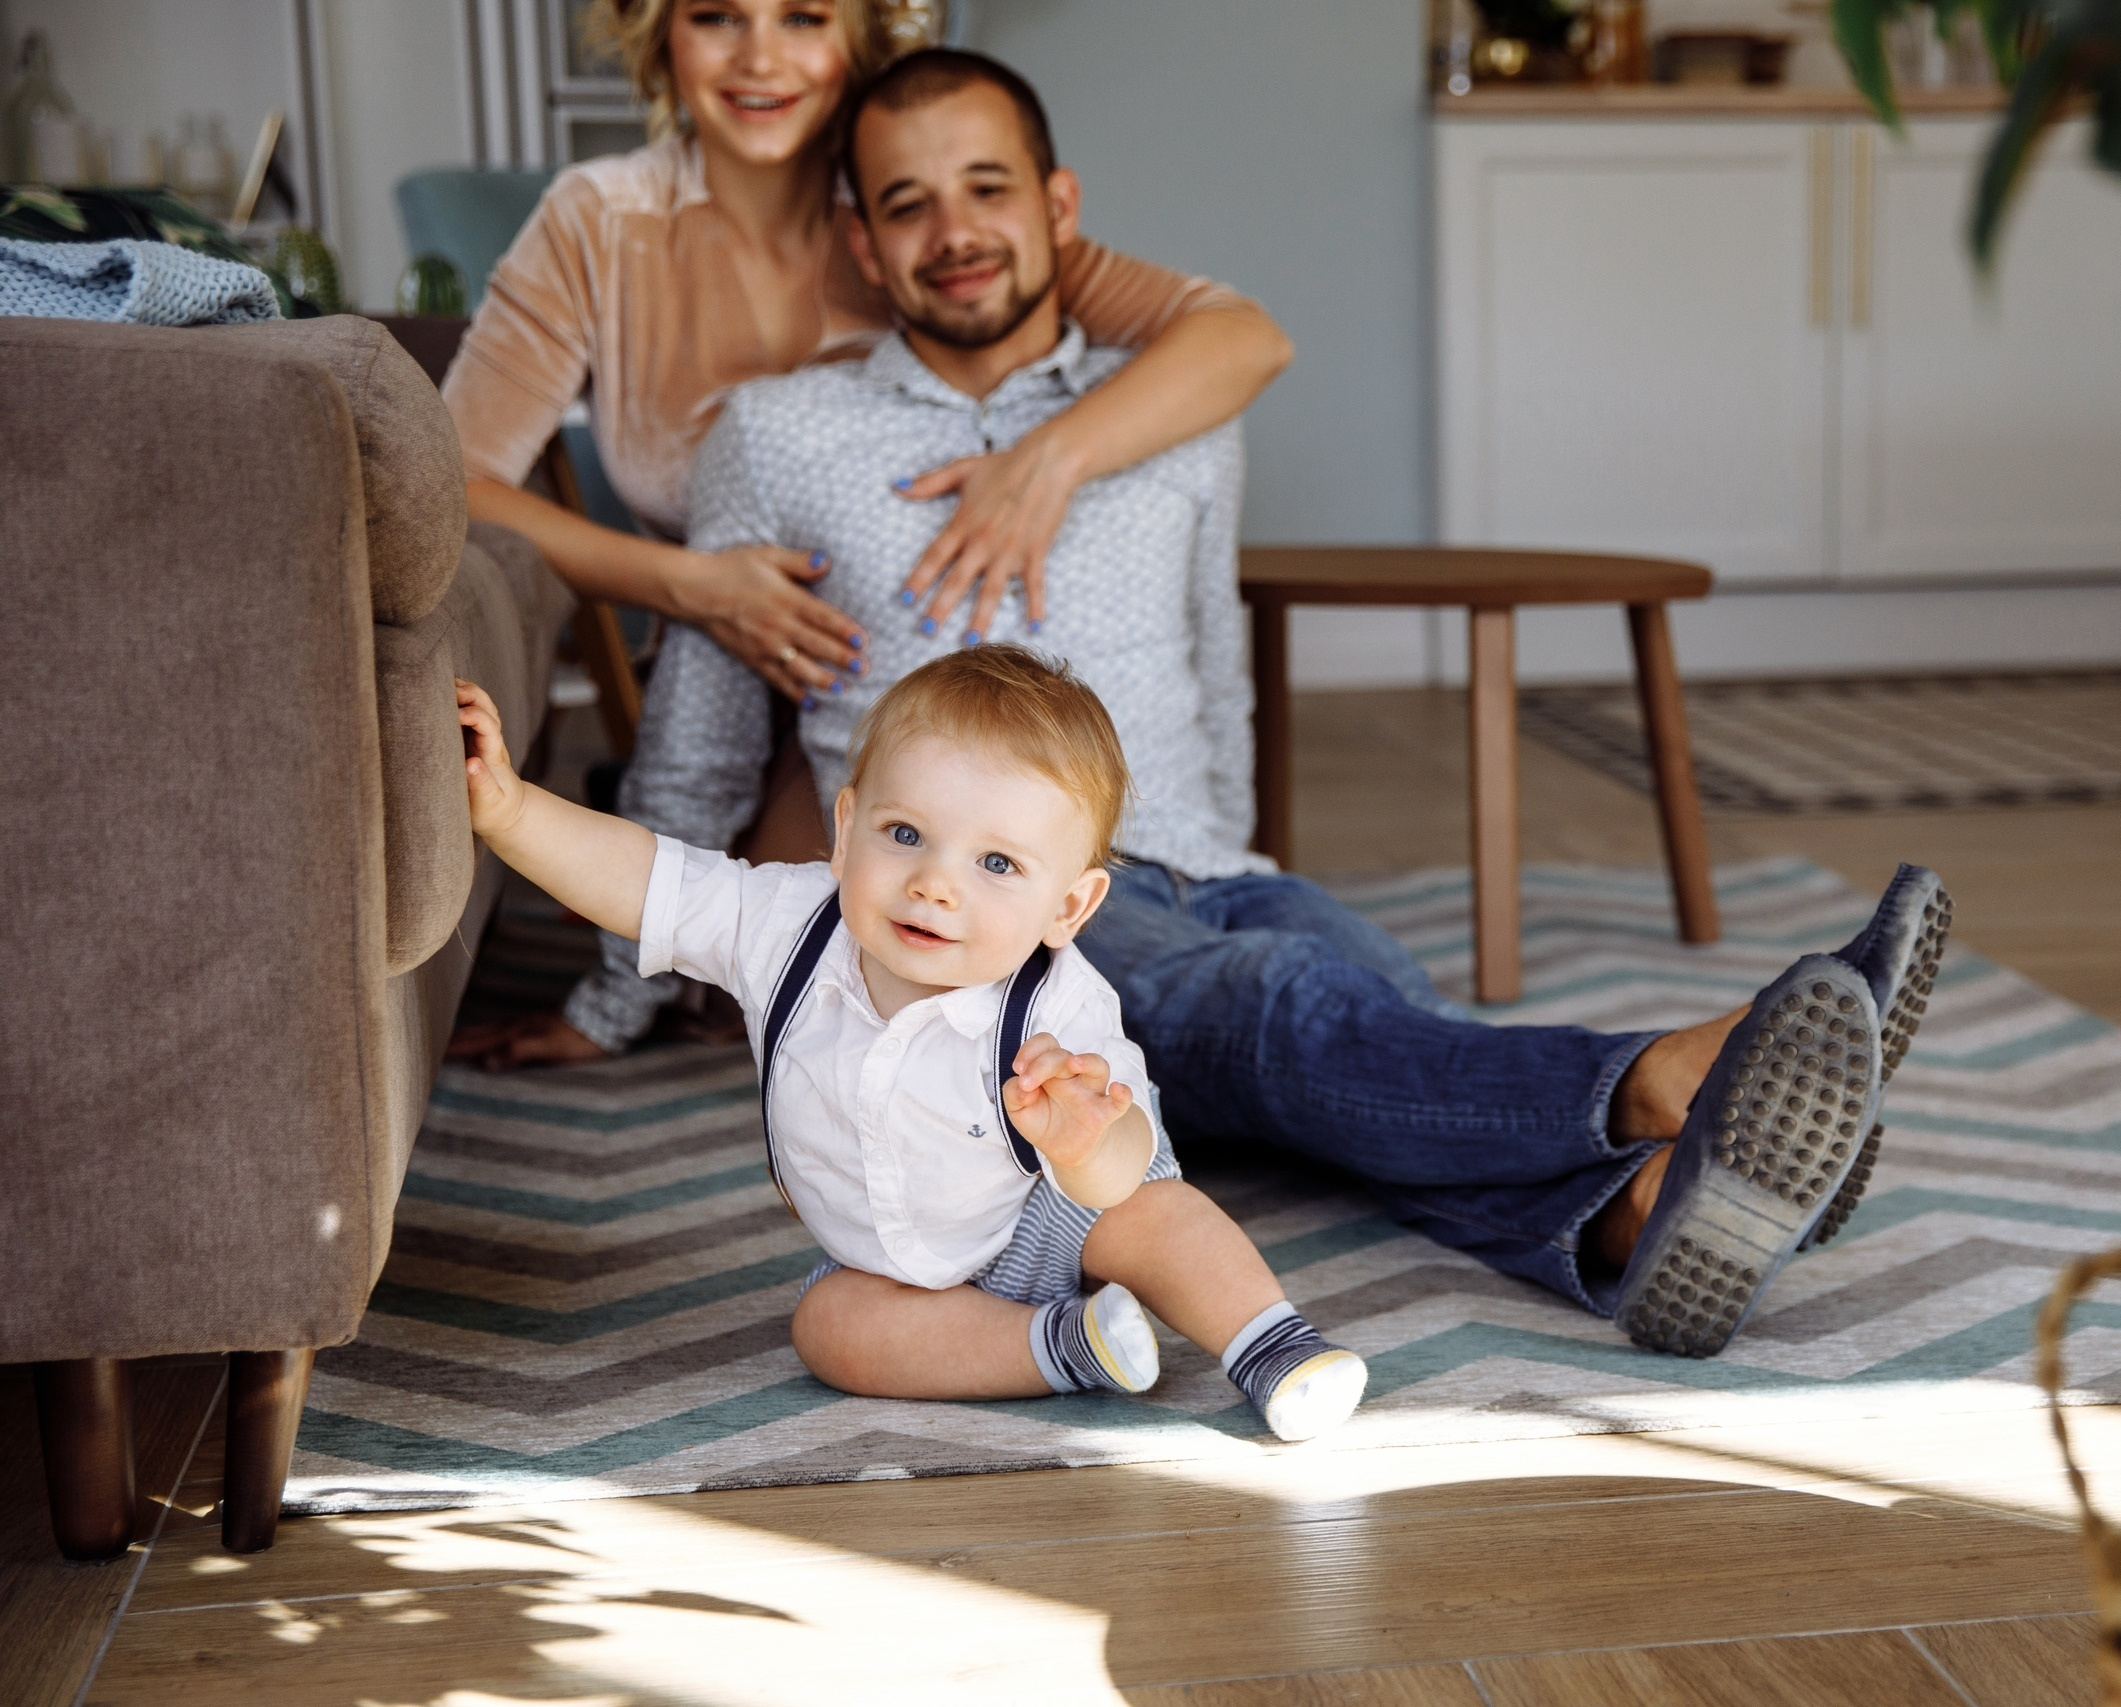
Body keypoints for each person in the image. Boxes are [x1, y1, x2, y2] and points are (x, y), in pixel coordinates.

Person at [513, 46, 1956, 1356]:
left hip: (1227, 868)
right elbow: (700, 720)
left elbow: (1213, 674)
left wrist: (1253, 864)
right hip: (1026, 899)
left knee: (1350, 1039)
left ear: (1059, 203)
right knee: (1284, 1017)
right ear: (861, 243)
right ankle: (1670, 1078)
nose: (954, 231)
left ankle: (1641, 1217)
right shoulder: (777, 435)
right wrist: (607, 991)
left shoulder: (1173, 420)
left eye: (988, 187)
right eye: (906, 203)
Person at [443, 0, 1293, 1069]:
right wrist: (689, 585)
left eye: (803, 16)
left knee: (1021, 914)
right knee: (853, 980)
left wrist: (1047, 459)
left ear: (861, 37)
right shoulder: (602, 221)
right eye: (716, 16)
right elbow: (448, 475)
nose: (760, 57)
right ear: (659, 37)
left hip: (875, 679)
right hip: (756, 665)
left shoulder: (940, 212)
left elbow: (1243, 340)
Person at [455, 649, 1373, 1441]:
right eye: (905, 834)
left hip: (1053, 1209)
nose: (935, 884)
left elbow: (1120, 1174)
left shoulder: (1059, 1004)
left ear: (1069, 907)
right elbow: (646, 881)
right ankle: (1065, 1346)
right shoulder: (784, 926)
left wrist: (1088, 1138)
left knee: (1157, 1217)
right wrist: (508, 809)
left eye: (997, 863)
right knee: (830, 1330)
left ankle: (1272, 1345)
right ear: (846, 828)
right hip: (888, 1266)